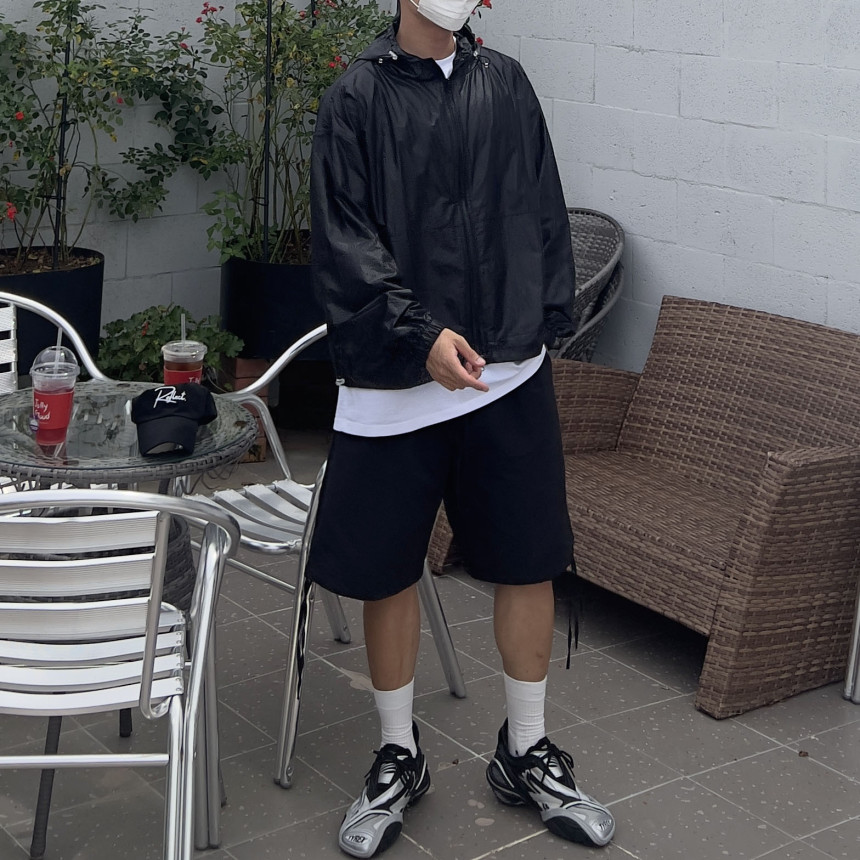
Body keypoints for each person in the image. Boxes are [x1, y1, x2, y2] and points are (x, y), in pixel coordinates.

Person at [308, 1, 616, 856]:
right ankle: (397, 755)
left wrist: (540, 323)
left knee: (528, 558)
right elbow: (344, 239)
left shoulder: (505, 82)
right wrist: (418, 335)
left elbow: (541, 207)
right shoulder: (358, 96)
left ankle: (527, 750)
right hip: (396, 382)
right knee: (387, 571)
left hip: (506, 370)